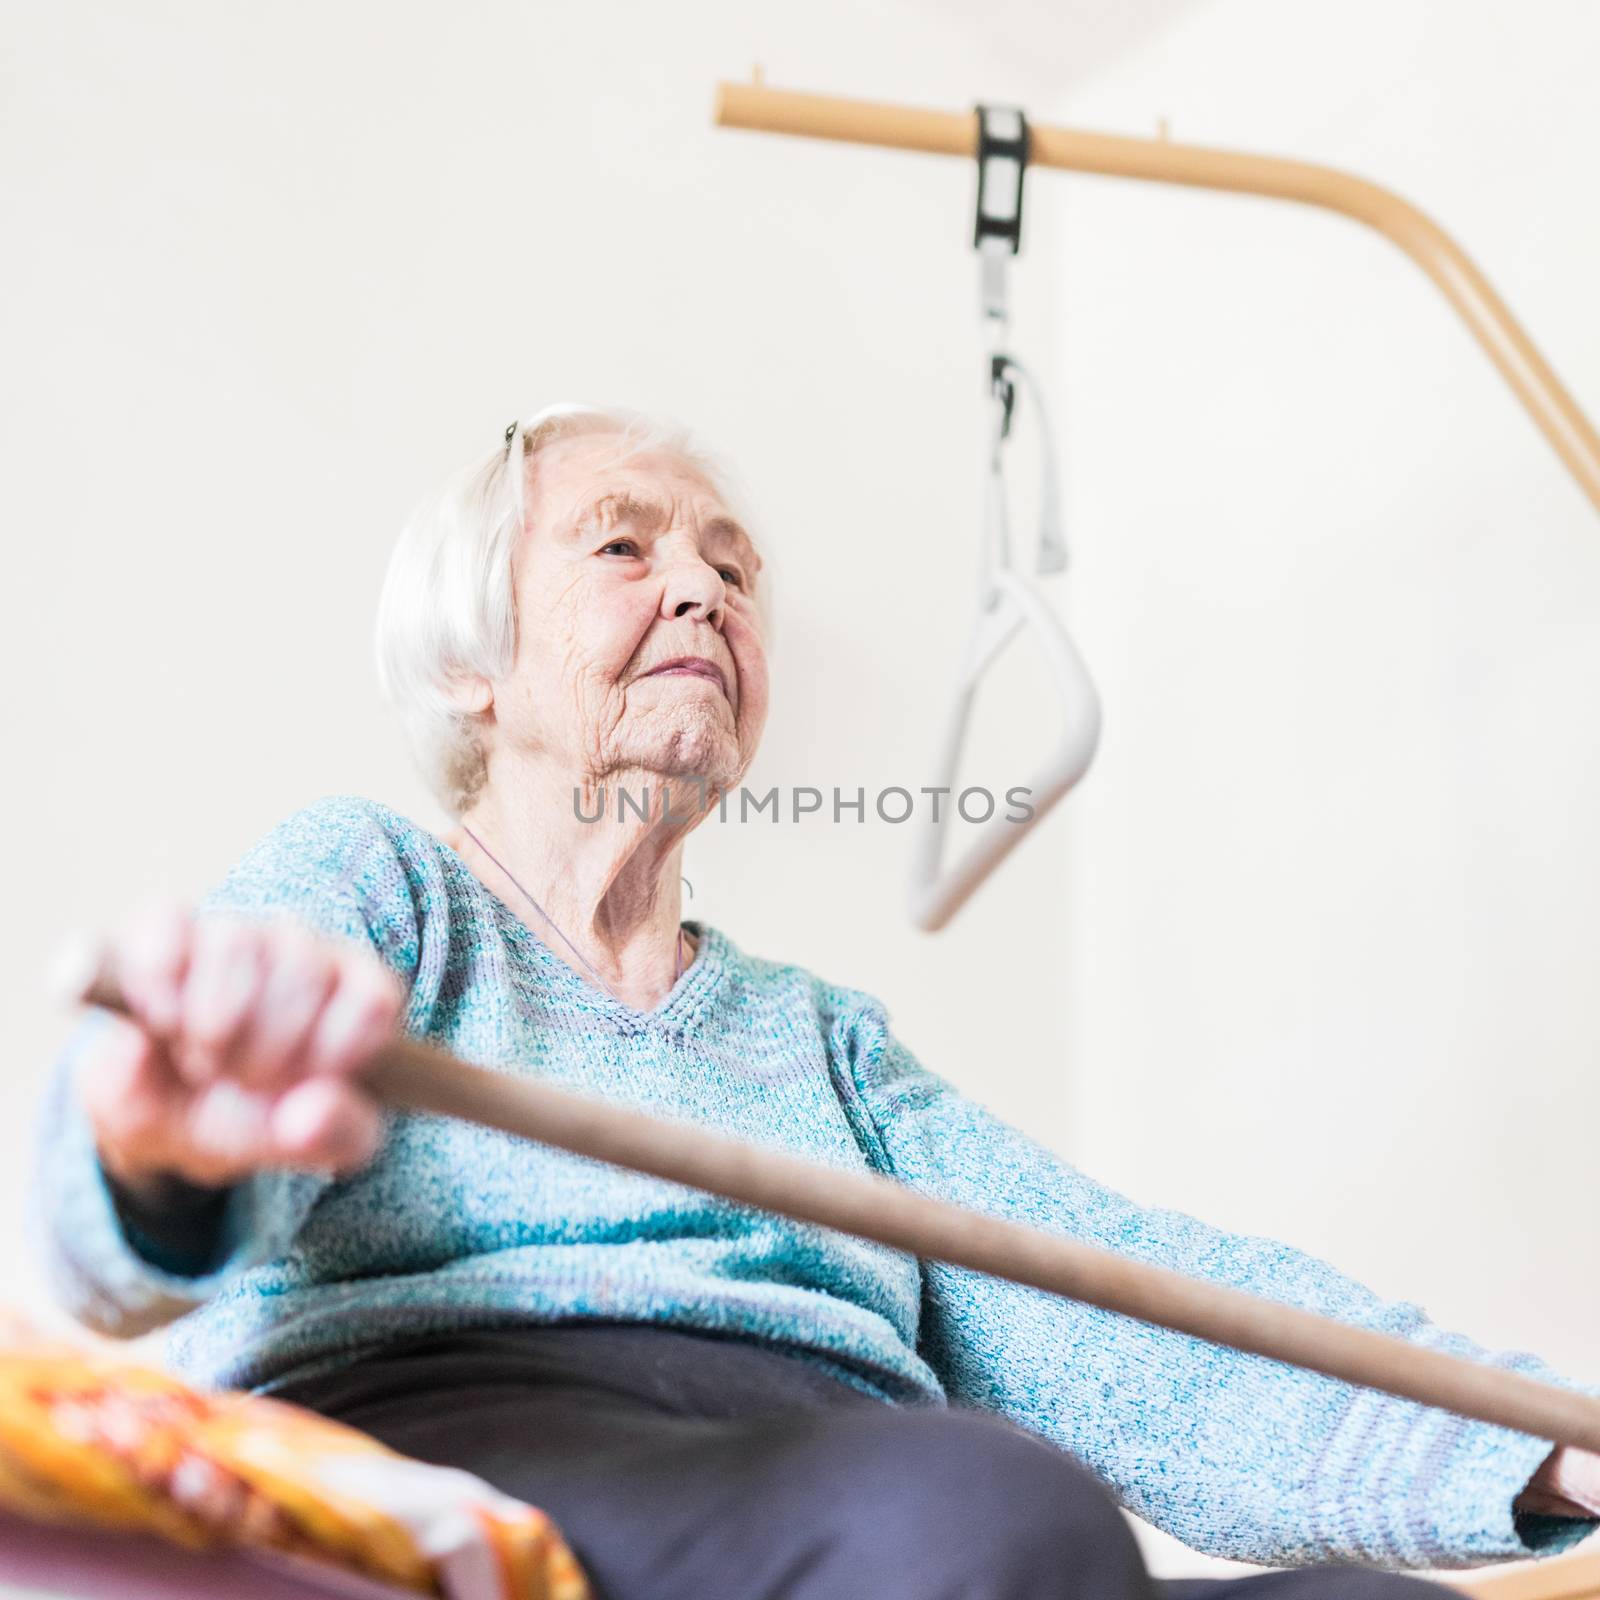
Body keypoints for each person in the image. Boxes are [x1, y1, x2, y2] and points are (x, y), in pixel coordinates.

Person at [29, 403, 1600, 1600]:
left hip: (858, 1489)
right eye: (624, 547)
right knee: (989, 1513)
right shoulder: (374, 881)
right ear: (469, 662)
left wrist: (1536, 1438)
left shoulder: (822, 1040)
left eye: (733, 568)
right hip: (466, 1440)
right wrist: (168, 1152)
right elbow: (148, 1191)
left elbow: (1128, 1313)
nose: (703, 593)